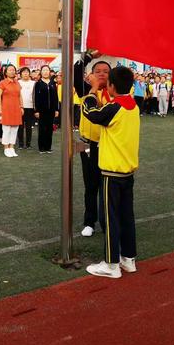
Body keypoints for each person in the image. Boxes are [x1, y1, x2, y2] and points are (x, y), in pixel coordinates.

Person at [83, 66, 140, 279]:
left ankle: (111, 264)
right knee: (127, 217)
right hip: (127, 172)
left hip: (112, 173)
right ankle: (128, 259)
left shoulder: (115, 107)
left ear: (111, 86)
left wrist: (92, 90)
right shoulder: (132, 105)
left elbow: (91, 113)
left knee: (110, 219)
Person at [74, 51, 112, 238]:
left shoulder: (114, 94)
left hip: (107, 145)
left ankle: (106, 220)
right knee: (90, 186)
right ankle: (89, 222)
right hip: (86, 144)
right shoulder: (85, 90)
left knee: (106, 185)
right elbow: (75, 71)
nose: (102, 74)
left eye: (106, 71)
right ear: (91, 74)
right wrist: (89, 55)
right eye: (98, 71)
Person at [0, 64, 23, 158]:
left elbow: (20, 96)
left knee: (15, 129)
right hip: (6, 108)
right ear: (6, 72)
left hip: (16, 108)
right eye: (10, 70)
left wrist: (22, 107)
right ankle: (6, 148)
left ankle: (12, 147)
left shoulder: (17, 82)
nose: (12, 71)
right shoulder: (2, 83)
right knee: (6, 129)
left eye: (13, 70)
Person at [34, 65, 59, 154]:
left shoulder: (52, 83)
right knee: (42, 129)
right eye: (43, 70)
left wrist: (56, 109)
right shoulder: (38, 83)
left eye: (47, 70)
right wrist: (36, 111)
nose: (45, 72)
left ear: (49, 72)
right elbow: (36, 98)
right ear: (41, 72)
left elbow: (56, 97)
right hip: (41, 110)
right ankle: (42, 148)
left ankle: (48, 147)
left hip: (51, 110)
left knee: (49, 129)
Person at [17, 67, 35, 149]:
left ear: (29, 73)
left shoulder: (33, 83)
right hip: (19, 107)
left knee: (29, 127)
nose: (25, 73)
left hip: (30, 107)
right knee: (20, 126)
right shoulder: (17, 82)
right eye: (23, 72)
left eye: (27, 72)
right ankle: (20, 144)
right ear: (20, 74)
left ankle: (28, 144)